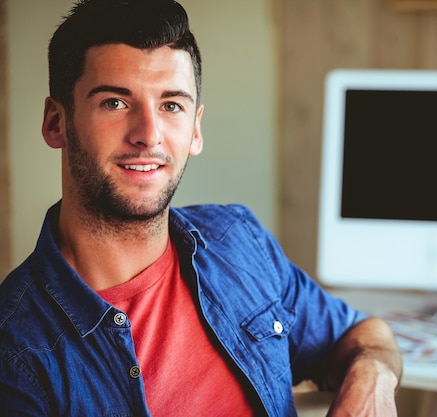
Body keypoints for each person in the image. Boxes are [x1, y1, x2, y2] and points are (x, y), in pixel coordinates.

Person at [0, 0, 402, 415]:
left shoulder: (238, 243)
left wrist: (372, 376)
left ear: (195, 129)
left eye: (171, 105)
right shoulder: (15, 351)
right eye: (115, 103)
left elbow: (362, 334)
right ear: (55, 122)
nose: (149, 135)